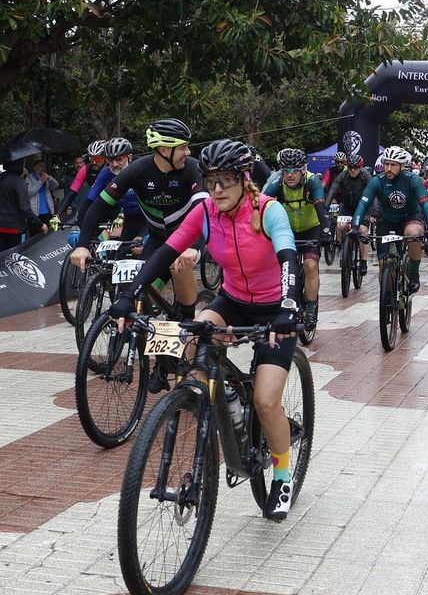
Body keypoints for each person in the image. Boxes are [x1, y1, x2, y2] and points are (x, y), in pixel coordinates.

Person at [110, 138, 303, 519]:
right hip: (232, 301)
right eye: (210, 180)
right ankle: (226, 399)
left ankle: (282, 475)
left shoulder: (269, 210)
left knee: (266, 401)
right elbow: (165, 253)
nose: (216, 189)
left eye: (225, 180)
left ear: (244, 179)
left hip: (274, 308)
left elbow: (288, 258)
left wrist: (288, 306)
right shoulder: (204, 213)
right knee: (190, 346)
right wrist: (130, 296)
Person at [70, 118, 204, 317]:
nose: (188, 152)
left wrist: (193, 247)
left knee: (181, 267)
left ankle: (188, 321)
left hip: (188, 238)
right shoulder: (139, 169)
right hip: (158, 239)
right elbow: (98, 205)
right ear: (164, 150)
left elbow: (204, 210)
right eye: (182, 147)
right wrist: (82, 245)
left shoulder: (193, 168)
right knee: (142, 300)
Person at [350, 145, 428, 291]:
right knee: (384, 266)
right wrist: (355, 227)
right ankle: (388, 299)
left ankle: (414, 272)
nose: (388, 168)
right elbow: (363, 204)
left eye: (393, 165)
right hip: (387, 221)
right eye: (386, 164)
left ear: (402, 166)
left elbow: (426, 205)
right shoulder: (378, 180)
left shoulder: (412, 179)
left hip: (409, 218)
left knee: (414, 233)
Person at [263, 147, 328, 329]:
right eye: (286, 171)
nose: (289, 175)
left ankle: (310, 309)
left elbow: (320, 207)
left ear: (303, 170)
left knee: (310, 265)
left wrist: (326, 231)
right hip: (287, 231)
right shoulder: (277, 183)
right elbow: (260, 206)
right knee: (279, 267)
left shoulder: (312, 181)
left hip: (311, 229)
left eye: (294, 171)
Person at [328, 152, 372, 279]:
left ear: (360, 167)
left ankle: (363, 261)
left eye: (356, 168)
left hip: (363, 207)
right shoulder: (343, 175)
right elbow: (332, 190)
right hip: (347, 206)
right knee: (340, 225)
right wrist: (325, 207)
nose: (352, 170)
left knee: (363, 231)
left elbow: (373, 193)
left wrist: (374, 211)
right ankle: (345, 250)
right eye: (350, 167)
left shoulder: (366, 175)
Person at [0, 161, 32, 250]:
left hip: (0, 224)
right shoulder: (19, 182)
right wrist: (40, 224)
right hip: (16, 227)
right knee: (18, 254)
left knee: (2, 253)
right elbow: (25, 208)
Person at [24, 155, 60, 236]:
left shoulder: (46, 177)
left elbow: (55, 186)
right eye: (41, 166)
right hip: (35, 213)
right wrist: (41, 182)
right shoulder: (29, 178)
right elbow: (30, 192)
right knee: (35, 236)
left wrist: (50, 178)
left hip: (47, 211)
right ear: (35, 168)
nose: (43, 168)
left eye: (44, 167)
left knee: (48, 235)